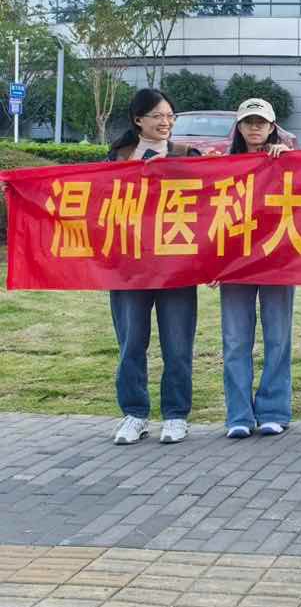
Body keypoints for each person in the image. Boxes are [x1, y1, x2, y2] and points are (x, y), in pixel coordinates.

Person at [106, 88, 204, 446]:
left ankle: (176, 415)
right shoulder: (118, 157)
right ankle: (135, 413)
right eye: (157, 116)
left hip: (176, 266)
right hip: (129, 265)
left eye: (170, 116)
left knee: (177, 344)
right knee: (131, 342)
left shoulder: (188, 155)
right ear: (138, 120)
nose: (165, 122)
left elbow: (210, 204)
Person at [220, 98, 294, 439]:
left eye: (261, 122)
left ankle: (274, 411)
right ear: (239, 127)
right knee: (236, 340)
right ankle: (239, 414)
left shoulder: (287, 161)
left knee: (278, 338)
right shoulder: (223, 166)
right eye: (248, 122)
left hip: (278, 260)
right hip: (235, 263)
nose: (254, 128)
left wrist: (289, 158)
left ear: (272, 127)